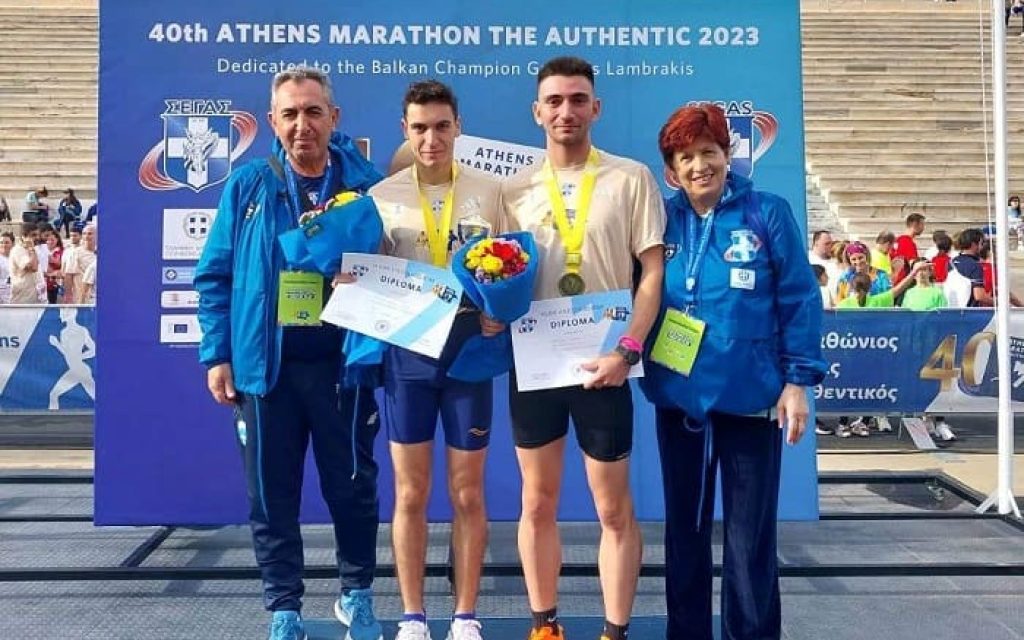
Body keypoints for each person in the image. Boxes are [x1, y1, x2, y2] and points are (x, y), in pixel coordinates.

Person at [194, 67, 385, 640]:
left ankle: (356, 595)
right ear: (273, 121)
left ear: (334, 117)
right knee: (271, 493)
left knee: (352, 486)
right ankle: (284, 607)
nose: (303, 124)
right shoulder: (248, 186)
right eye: (291, 114)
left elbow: (397, 269)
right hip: (266, 367)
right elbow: (214, 275)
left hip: (343, 366)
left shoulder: (369, 186)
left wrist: (366, 279)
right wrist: (217, 354)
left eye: (313, 112)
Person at [643, 103, 825, 640]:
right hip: (681, 402)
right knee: (685, 533)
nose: (699, 165)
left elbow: (799, 299)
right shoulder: (660, 221)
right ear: (671, 171)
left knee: (749, 539)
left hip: (752, 399)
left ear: (728, 156)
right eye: (686, 158)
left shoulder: (767, 213)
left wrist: (797, 381)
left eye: (709, 153)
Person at [501, 56, 666, 640]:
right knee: (536, 502)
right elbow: (498, 273)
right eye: (554, 101)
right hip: (536, 366)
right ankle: (544, 625)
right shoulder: (512, 190)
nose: (565, 111)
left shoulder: (631, 178)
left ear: (596, 108)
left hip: (607, 365)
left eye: (577, 100)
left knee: (612, 509)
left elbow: (651, 273)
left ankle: (614, 631)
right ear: (537, 112)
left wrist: (628, 350)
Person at [366, 80, 503, 640]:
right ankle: (413, 616)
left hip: (468, 352)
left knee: (468, 492)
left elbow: (510, 266)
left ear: (458, 127)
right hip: (409, 356)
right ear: (405, 130)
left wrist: (499, 310)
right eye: (420, 128)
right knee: (411, 492)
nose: (431, 139)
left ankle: (465, 615)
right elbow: (370, 275)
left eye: (442, 126)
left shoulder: (490, 191)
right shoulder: (383, 195)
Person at [948, 228, 993, 307]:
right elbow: (979, 296)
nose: (982, 247)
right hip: (970, 311)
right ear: (973, 245)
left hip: (952, 308)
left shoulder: (951, 262)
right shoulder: (975, 266)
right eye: (981, 243)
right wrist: (1001, 304)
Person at [9, 222, 43, 304]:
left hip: (37, 296)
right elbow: (33, 268)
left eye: (37, 235)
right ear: (24, 237)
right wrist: (32, 249)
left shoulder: (34, 248)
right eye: (33, 235)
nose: (37, 237)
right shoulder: (18, 250)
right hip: (23, 298)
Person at [64, 223, 96, 304]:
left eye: (90, 234)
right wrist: (68, 295)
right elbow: (68, 275)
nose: (86, 236)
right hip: (80, 298)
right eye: (84, 233)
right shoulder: (75, 253)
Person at [890, 213, 925, 285]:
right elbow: (913, 264)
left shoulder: (898, 240)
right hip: (903, 282)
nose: (923, 228)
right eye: (922, 224)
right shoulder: (907, 242)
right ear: (915, 224)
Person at [44, 231, 64, 303]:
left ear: (57, 240)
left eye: (52, 240)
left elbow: (61, 265)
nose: (49, 242)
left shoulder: (60, 251)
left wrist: (53, 260)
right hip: (43, 283)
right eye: (48, 240)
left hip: (54, 284)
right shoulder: (42, 250)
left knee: (52, 303)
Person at [0, 231, 13, 303]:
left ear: (12, 244)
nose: (4, 245)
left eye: (7, 242)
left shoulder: (16, 258)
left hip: (14, 294)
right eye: (1, 242)